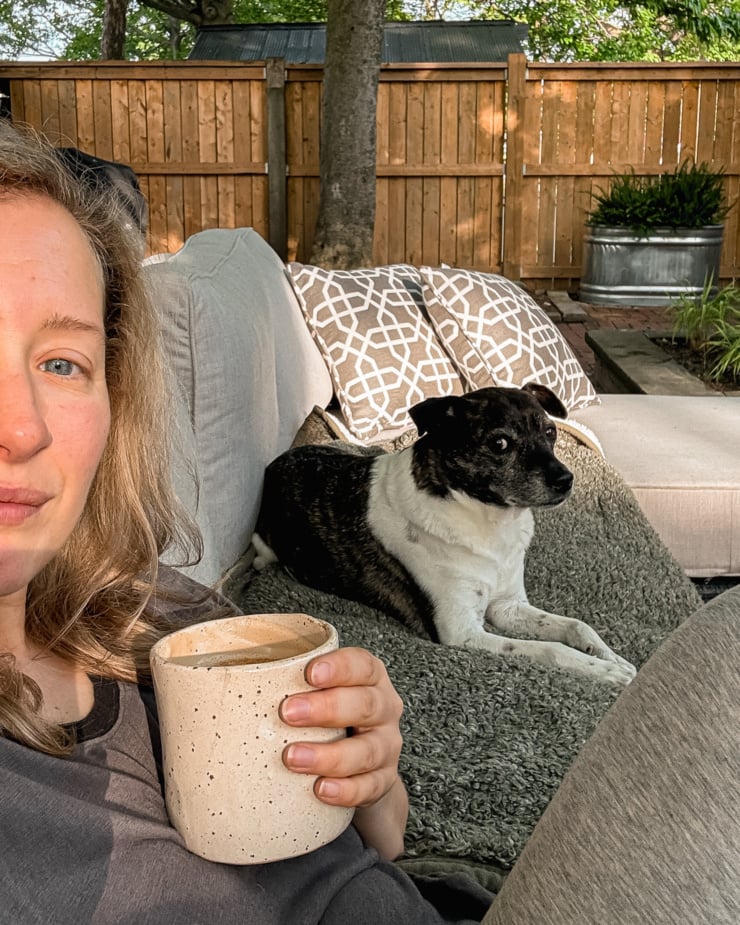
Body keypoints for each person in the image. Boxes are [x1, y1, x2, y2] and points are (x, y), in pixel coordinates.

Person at [0, 120, 737, 925]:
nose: (23, 426)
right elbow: (465, 636)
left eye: (62, 363)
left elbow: (371, 844)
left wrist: (372, 779)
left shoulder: (155, 605)